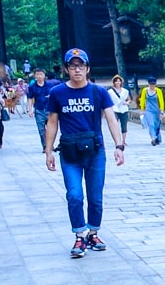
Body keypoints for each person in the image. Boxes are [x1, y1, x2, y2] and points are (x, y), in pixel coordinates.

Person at [45, 48, 126, 258]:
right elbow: (52, 123)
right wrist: (48, 151)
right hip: (70, 152)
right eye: (73, 66)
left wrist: (119, 146)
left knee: (95, 197)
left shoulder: (99, 92)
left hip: (95, 151)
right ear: (66, 69)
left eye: (81, 66)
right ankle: (79, 236)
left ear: (88, 68)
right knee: (74, 195)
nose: (77, 70)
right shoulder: (57, 93)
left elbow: (111, 119)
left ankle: (93, 233)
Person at [26, 67, 60, 150]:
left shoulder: (50, 85)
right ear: (35, 76)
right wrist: (30, 110)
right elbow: (30, 98)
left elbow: (56, 95)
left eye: (41, 74)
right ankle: (45, 146)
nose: (39, 76)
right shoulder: (32, 87)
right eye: (37, 74)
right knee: (41, 130)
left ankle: (51, 145)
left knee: (51, 129)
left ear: (44, 76)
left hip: (50, 110)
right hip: (39, 110)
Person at [137, 76, 164, 145]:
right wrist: (142, 109)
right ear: (148, 84)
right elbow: (142, 100)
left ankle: (158, 137)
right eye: (151, 84)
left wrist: (161, 111)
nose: (152, 85)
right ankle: (153, 138)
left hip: (157, 110)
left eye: (154, 84)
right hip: (149, 110)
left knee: (156, 125)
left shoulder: (158, 91)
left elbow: (161, 101)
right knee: (151, 124)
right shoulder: (145, 90)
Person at [108, 74, 131, 146]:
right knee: (115, 124)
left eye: (119, 81)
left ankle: (124, 140)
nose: (118, 83)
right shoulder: (110, 91)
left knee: (124, 125)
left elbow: (129, 99)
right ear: (114, 82)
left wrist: (127, 103)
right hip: (115, 109)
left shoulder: (125, 91)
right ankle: (118, 140)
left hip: (123, 109)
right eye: (116, 81)